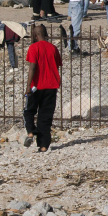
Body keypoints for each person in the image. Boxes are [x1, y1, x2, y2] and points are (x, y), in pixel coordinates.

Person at [23, 24, 62, 153]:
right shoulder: (53, 48)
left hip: (36, 87)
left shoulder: (33, 47)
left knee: (29, 111)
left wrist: (28, 86)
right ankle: (44, 145)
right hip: (51, 86)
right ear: (46, 34)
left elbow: (32, 67)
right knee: (45, 117)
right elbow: (56, 65)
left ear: (35, 35)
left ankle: (30, 132)